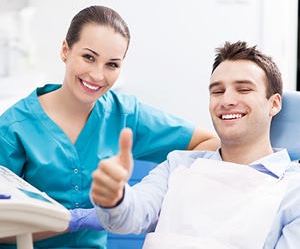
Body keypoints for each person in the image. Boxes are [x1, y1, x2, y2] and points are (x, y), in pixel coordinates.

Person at [0, 5, 220, 249]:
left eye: (112, 64)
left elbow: (209, 143)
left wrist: (148, 194)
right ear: (65, 50)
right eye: (88, 57)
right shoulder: (14, 127)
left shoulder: (125, 115)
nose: (97, 75)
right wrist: (72, 221)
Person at [91, 41, 300, 248]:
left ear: (274, 104)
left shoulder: (294, 191)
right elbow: (133, 215)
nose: (226, 101)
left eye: (243, 89)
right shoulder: (179, 165)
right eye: (217, 91)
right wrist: (115, 198)